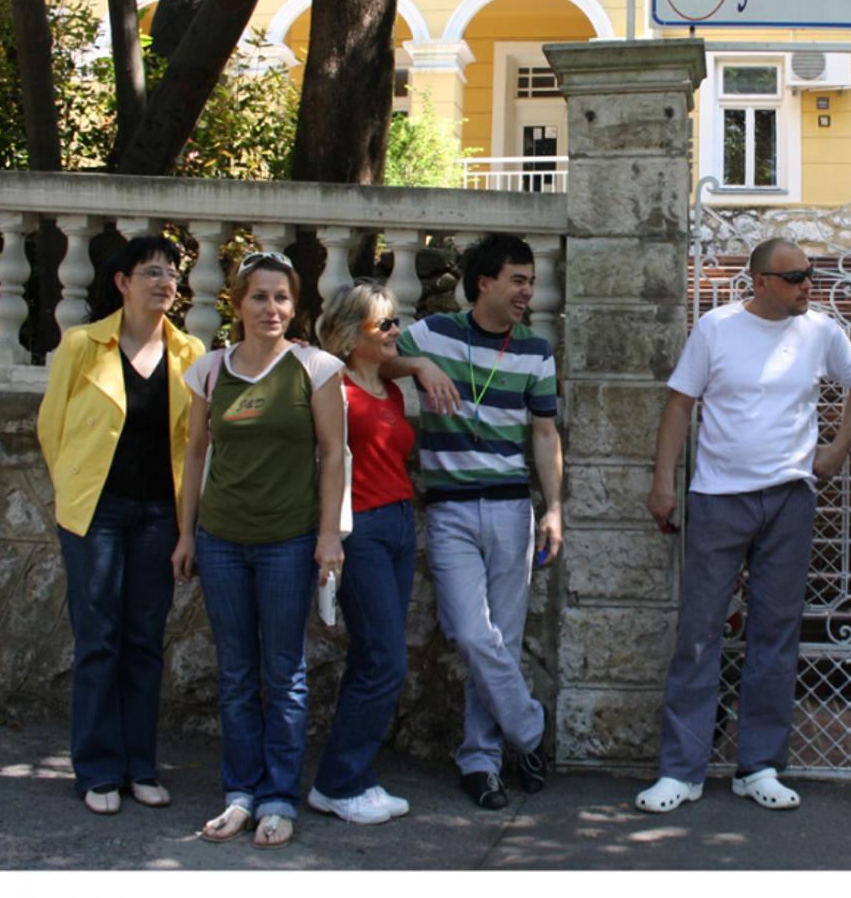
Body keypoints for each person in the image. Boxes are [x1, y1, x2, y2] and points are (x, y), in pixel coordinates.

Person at [637, 238, 851, 814]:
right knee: (699, 634)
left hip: (789, 498)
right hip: (718, 499)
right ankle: (682, 771)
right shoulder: (716, 329)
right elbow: (679, 405)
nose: (807, 285)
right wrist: (664, 482)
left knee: (775, 634)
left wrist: (837, 449)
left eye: (810, 274)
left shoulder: (820, 332)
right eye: (794, 277)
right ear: (760, 281)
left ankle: (759, 767)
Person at [172, 251, 346, 849]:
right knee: (237, 674)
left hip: (287, 543)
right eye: (259, 296)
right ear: (237, 303)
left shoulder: (315, 368)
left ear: (294, 307)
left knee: (285, 674)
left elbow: (333, 454)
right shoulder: (209, 371)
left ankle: (278, 798)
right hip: (221, 540)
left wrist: (328, 535)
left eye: (282, 297)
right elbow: (196, 452)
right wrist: (187, 533)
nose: (271, 308)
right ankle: (240, 794)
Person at [381, 233, 561, 810]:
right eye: (518, 280)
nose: (528, 292)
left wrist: (554, 509)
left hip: (512, 510)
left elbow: (544, 434)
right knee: (470, 633)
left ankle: (481, 762)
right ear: (484, 283)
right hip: (451, 509)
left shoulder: (535, 350)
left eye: (531, 282)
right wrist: (416, 364)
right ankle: (529, 730)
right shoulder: (434, 334)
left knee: (502, 640)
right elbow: (369, 355)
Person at [37, 235, 205, 816]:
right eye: (152, 271)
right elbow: (52, 427)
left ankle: (140, 767)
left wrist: (187, 527)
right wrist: (73, 492)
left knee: (143, 642)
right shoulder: (83, 345)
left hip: (159, 515)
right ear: (122, 282)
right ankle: (97, 768)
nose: (165, 282)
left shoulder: (190, 352)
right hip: (97, 514)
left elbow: (195, 445)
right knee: (98, 639)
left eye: (172, 273)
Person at [304, 281, 418, 826]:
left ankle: (348, 779)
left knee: (372, 658)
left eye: (396, 320)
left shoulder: (387, 389)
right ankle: (339, 783)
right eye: (384, 324)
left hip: (399, 523)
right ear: (352, 335)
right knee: (386, 661)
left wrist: (418, 367)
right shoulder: (335, 387)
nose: (396, 331)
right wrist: (327, 535)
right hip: (361, 529)